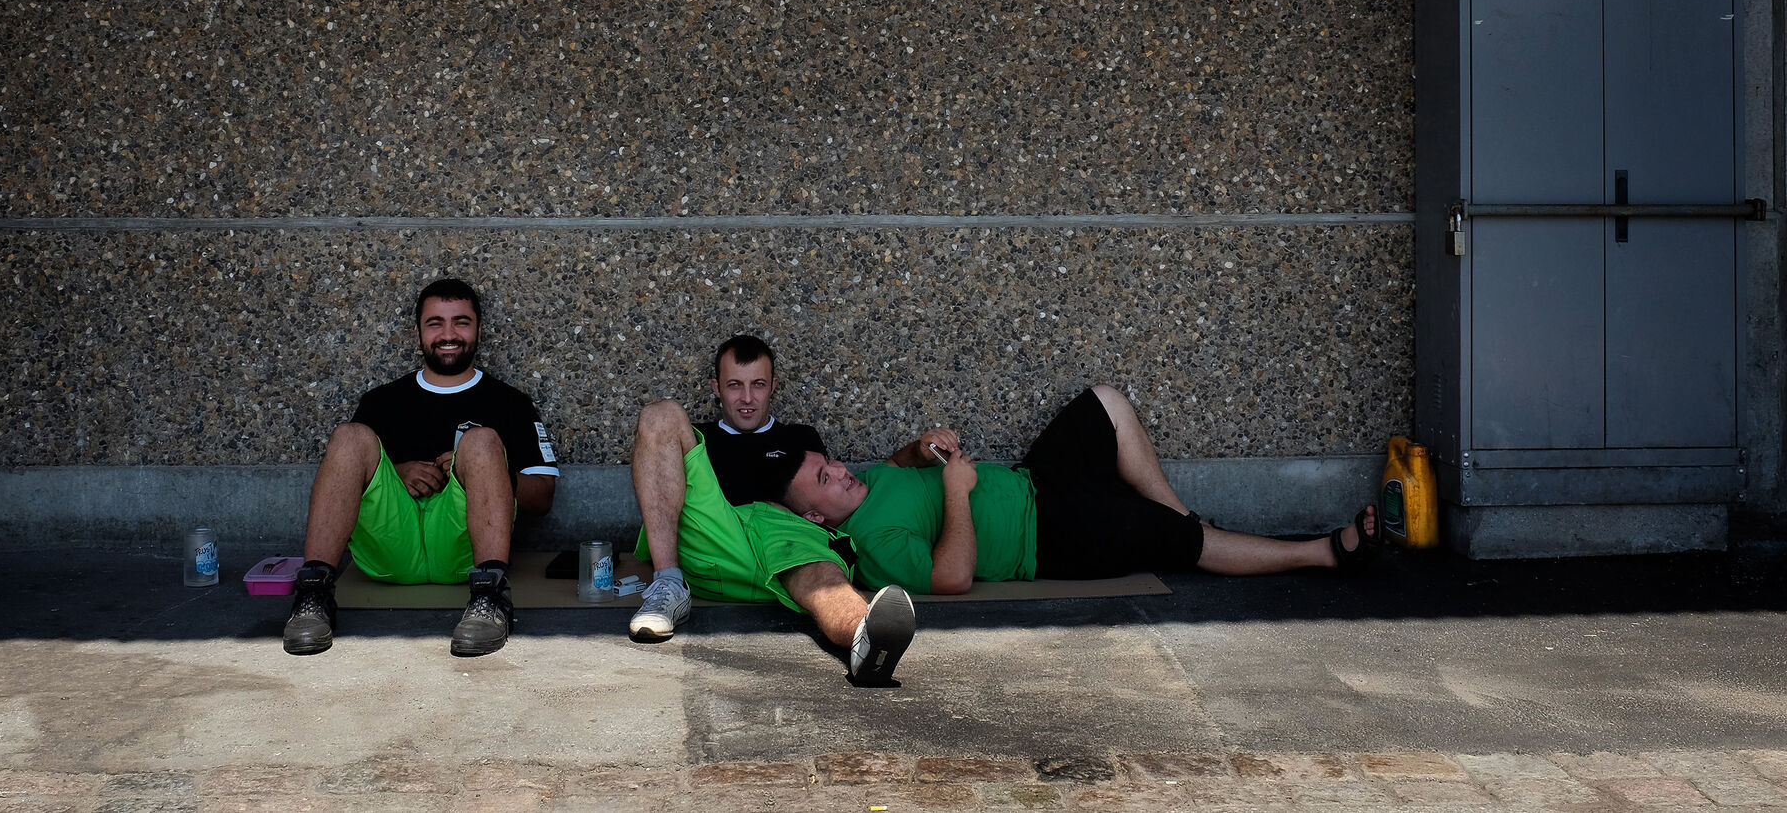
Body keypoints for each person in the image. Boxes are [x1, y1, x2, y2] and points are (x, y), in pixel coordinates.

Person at [777, 384, 1381, 594]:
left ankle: (1183, 519)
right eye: (824, 479)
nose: (840, 469)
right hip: (1052, 540)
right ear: (815, 519)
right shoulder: (873, 546)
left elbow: (895, 466)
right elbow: (952, 578)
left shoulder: (870, 479)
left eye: (829, 461)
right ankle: (1324, 553)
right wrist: (957, 490)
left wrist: (918, 449)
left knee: (1105, 403)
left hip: (1038, 481)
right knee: (1181, 543)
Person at [282, 278, 559, 657]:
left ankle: (491, 599)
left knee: (479, 441)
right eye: (435, 323)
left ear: (479, 330)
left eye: (461, 322)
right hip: (391, 546)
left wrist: (482, 472)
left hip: (465, 551)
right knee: (349, 437)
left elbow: (543, 496)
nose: (449, 334)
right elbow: (350, 475)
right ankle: (312, 596)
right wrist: (396, 473)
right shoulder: (382, 401)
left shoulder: (510, 403)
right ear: (418, 333)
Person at [625, 334, 914, 685]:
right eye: (735, 385)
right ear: (717, 388)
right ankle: (668, 586)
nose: (747, 398)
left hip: (784, 535)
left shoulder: (801, 439)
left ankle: (865, 638)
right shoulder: (697, 438)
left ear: (773, 386)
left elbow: (832, 500)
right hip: (720, 538)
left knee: (819, 573)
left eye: (758, 385)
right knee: (660, 414)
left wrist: (913, 456)